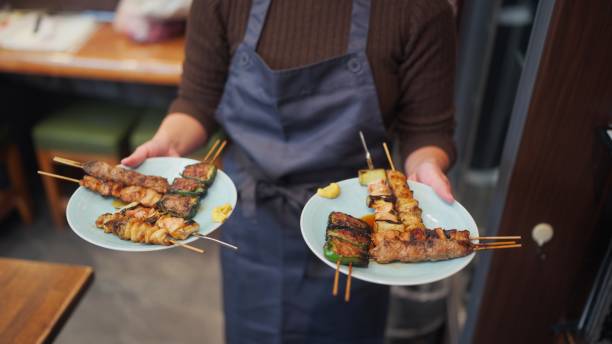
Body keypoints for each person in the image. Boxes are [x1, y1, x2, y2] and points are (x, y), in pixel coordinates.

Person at [122, 0, 456, 343]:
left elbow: (426, 129)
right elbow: (198, 99)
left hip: (358, 226)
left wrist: (427, 166)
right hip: (253, 219)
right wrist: (168, 141)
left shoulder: (420, 9)